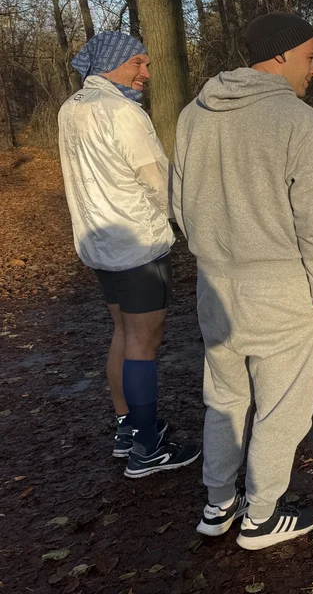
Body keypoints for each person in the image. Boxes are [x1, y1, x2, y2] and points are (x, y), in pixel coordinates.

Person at [173, 12, 313, 550]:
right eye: (311, 57)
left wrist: (215, 250)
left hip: (215, 285)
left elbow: (178, 204)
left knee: (223, 396)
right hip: (282, 287)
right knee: (282, 404)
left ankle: (218, 503)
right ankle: (262, 515)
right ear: (282, 54)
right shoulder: (300, 122)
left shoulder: (194, 114)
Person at [58, 31, 199, 477]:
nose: (146, 73)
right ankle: (147, 448)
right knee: (144, 340)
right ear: (111, 64)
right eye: (138, 63)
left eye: (148, 64)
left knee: (122, 332)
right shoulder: (123, 113)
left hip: (98, 243)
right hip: (138, 244)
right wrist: (188, 223)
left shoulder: (71, 109)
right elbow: (158, 180)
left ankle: (127, 429)